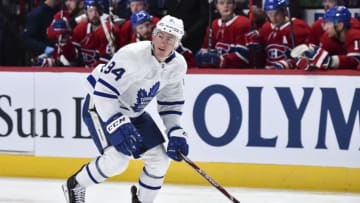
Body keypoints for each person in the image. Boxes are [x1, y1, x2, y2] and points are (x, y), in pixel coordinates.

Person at [62, 15, 189, 203]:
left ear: (177, 43)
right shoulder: (132, 54)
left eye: (170, 39)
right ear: (153, 36)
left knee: (160, 161)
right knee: (117, 160)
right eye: (160, 35)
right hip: (100, 106)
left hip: (133, 112)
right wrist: (116, 122)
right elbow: (104, 91)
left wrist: (175, 130)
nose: (163, 42)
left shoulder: (178, 66)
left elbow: (170, 102)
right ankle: (75, 184)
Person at [294, 6, 360, 70]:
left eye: (329, 23)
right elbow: (320, 59)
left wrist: (330, 61)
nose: (325, 28)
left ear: (340, 26)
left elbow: (356, 61)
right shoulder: (327, 38)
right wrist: (310, 62)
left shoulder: (355, 35)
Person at [195, 0, 251, 68]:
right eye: (221, 3)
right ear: (216, 6)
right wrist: (201, 56)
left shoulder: (243, 22)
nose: (225, 6)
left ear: (234, 5)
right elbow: (205, 48)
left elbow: (244, 55)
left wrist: (222, 60)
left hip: (237, 72)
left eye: (229, 3)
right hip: (217, 72)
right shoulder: (213, 24)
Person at [130, 10, 196, 67]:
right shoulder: (135, 42)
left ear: (152, 24)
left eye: (147, 25)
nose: (145, 30)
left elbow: (186, 54)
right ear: (135, 30)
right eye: (141, 27)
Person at [259, 0, 310, 69]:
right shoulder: (265, 28)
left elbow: (306, 56)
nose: (273, 18)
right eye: (270, 14)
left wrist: (287, 64)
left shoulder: (298, 27)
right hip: (268, 74)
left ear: (284, 11)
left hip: (290, 75)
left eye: (276, 14)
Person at [72, 0, 121, 68]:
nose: (94, 14)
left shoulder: (107, 30)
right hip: (83, 70)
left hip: (101, 72)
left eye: (96, 10)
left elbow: (105, 61)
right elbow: (73, 55)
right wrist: (64, 42)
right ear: (86, 12)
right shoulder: (81, 28)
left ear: (101, 12)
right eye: (91, 11)